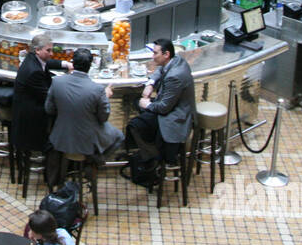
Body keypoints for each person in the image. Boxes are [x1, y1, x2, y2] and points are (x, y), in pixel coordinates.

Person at [44, 47, 122, 181]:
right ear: (90, 66)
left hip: (61, 138)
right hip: (87, 143)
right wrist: (106, 97)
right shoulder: (97, 90)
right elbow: (103, 117)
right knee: (119, 136)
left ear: (72, 63)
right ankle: (94, 161)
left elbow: (49, 109)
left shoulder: (57, 82)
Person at [126, 38, 196, 164]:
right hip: (170, 106)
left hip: (175, 116)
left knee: (135, 125)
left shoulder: (175, 76)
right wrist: (150, 84)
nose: (153, 57)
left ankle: (153, 154)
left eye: (155, 53)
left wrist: (148, 105)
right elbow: (160, 69)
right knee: (138, 103)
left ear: (166, 54)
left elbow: (164, 108)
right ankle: (150, 146)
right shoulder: (177, 60)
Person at [11, 34, 68, 173]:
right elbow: (48, 96)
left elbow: (47, 63)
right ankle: (56, 156)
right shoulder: (34, 71)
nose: (51, 53)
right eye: (48, 50)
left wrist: (66, 64)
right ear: (37, 50)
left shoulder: (33, 59)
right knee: (61, 115)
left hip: (28, 104)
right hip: (31, 116)